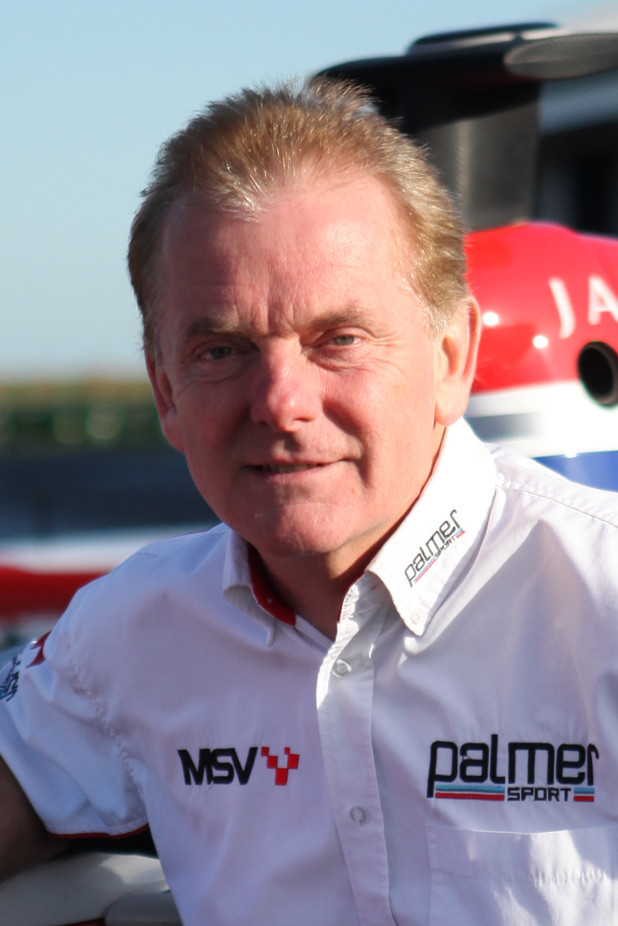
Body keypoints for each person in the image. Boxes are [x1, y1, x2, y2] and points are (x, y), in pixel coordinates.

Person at [0, 77, 617, 926]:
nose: (281, 402)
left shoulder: (600, 599)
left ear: (452, 359)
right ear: (166, 391)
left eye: (340, 339)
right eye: (222, 350)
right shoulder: (129, 635)